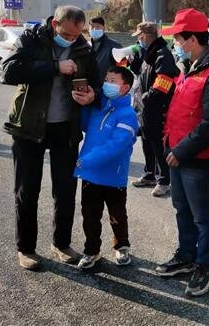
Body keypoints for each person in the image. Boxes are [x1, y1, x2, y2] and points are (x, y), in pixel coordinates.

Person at [2, 6, 100, 270]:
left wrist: (92, 95)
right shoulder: (31, 40)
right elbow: (7, 71)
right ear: (55, 24)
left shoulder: (83, 48)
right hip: (28, 127)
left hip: (65, 128)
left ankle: (62, 243)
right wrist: (55, 67)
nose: (71, 39)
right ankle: (26, 249)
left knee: (66, 190)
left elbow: (97, 83)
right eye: (67, 34)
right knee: (27, 190)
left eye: (76, 35)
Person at [154, 9, 209, 297]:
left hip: (196, 157)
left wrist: (182, 150)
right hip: (176, 152)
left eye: (178, 38)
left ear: (191, 39)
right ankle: (186, 255)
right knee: (182, 209)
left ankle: (206, 265)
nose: (175, 43)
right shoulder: (190, 67)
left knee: (203, 215)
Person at [74, 66, 139, 270]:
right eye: (106, 79)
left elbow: (116, 146)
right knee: (90, 216)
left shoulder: (128, 114)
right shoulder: (100, 106)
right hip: (91, 175)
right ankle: (91, 250)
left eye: (113, 81)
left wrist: (86, 160)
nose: (107, 84)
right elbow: (85, 125)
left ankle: (122, 246)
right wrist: (85, 103)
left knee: (117, 215)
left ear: (125, 87)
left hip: (113, 175)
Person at [129, 22, 179, 197]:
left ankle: (164, 180)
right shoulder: (149, 52)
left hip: (156, 107)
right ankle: (150, 173)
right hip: (145, 108)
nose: (138, 39)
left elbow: (163, 83)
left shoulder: (162, 54)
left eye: (139, 36)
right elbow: (141, 72)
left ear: (145, 36)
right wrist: (134, 61)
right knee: (146, 141)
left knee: (157, 144)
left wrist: (145, 98)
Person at [89, 16, 123, 81]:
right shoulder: (86, 45)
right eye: (92, 27)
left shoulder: (115, 46)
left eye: (98, 27)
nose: (94, 29)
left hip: (107, 83)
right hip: (89, 84)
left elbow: (121, 68)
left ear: (104, 28)